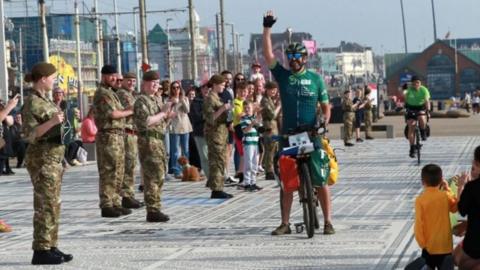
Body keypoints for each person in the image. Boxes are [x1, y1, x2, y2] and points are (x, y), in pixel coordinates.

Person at [262, 11, 334, 235]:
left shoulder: (315, 79)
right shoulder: (283, 76)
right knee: (287, 181)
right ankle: (285, 223)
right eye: (289, 57)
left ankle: (328, 221)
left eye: (297, 57)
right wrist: (267, 28)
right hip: (290, 134)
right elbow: (267, 55)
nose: (292, 61)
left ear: (305, 59)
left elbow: (325, 106)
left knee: (320, 179)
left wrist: (325, 122)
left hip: (312, 133)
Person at [21, 62, 72, 264]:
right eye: (52, 77)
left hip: (53, 157)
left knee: (53, 204)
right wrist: (52, 122)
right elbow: (30, 134)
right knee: (44, 205)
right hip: (42, 159)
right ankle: (40, 250)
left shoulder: (46, 100)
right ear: (43, 79)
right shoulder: (32, 102)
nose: (54, 81)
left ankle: (51, 245)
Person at [134, 70, 174, 222]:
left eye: (157, 83)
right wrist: (163, 114)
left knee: (160, 174)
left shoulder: (156, 100)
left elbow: (161, 123)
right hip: (148, 141)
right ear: (144, 84)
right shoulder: (141, 101)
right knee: (152, 175)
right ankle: (152, 209)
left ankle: (155, 206)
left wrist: (168, 117)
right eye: (152, 83)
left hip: (158, 140)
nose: (155, 86)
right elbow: (146, 122)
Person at [93, 65, 133, 218]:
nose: (114, 79)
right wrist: (131, 110)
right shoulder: (102, 93)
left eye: (115, 76)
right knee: (108, 171)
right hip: (108, 136)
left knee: (118, 171)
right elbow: (113, 114)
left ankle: (115, 202)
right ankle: (106, 204)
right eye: (111, 76)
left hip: (117, 135)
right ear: (104, 76)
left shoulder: (111, 92)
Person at [414, 164, 461, 269]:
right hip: (445, 245)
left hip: (429, 247)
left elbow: (418, 224)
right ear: (441, 180)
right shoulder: (445, 196)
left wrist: (422, 244)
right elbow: (455, 208)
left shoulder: (420, 200)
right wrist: (448, 188)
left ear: (423, 182)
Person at [203, 74, 233, 199]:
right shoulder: (210, 98)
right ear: (214, 85)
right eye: (221, 85)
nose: (223, 87)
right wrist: (222, 109)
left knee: (220, 161)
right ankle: (216, 190)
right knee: (217, 162)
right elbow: (210, 118)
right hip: (215, 135)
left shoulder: (217, 97)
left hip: (221, 134)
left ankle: (218, 187)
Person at [116, 72, 143, 209]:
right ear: (123, 81)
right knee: (129, 165)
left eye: (133, 80)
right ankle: (126, 196)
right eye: (129, 80)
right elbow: (134, 109)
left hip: (133, 132)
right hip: (127, 132)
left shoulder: (133, 94)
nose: (132, 83)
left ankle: (129, 194)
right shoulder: (123, 94)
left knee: (132, 165)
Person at [456, 145, 480, 268]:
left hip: (474, 245)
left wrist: (461, 187)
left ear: (476, 163)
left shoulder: (471, 187)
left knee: (459, 260)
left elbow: (462, 210)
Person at [167, 81, 193, 179]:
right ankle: (176, 170)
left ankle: (186, 169)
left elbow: (187, 110)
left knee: (185, 150)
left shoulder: (185, 98)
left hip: (185, 126)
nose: (176, 89)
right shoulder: (169, 99)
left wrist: (181, 100)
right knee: (175, 150)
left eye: (177, 87)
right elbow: (169, 112)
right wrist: (174, 102)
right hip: (175, 127)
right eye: (173, 88)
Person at [404, 76, 431, 158]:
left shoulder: (424, 89)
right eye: (414, 83)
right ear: (412, 84)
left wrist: (428, 111)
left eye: (418, 82)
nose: (416, 84)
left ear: (420, 83)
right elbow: (404, 100)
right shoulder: (408, 90)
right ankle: (412, 148)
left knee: (422, 118)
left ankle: (423, 133)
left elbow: (427, 101)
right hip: (411, 108)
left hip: (421, 107)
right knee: (411, 126)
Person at [239, 100, 263, 191]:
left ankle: (253, 182)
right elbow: (245, 130)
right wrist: (252, 123)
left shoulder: (255, 118)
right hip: (248, 144)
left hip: (255, 143)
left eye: (249, 108)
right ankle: (247, 183)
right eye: (245, 108)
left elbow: (260, 128)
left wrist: (259, 115)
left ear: (252, 108)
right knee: (248, 163)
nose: (247, 109)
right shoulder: (243, 119)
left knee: (255, 163)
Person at [261, 81, 281, 180]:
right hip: (269, 127)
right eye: (271, 89)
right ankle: (269, 171)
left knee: (274, 149)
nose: (273, 91)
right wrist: (279, 106)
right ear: (267, 90)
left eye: (275, 89)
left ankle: (273, 169)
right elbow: (272, 114)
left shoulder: (270, 99)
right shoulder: (265, 100)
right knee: (270, 150)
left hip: (274, 127)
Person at [190, 84, 209, 178]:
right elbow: (196, 117)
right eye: (204, 88)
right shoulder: (196, 102)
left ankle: (218, 176)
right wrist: (209, 114)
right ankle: (210, 177)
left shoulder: (214, 100)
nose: (206, 90)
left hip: (213, 132)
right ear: (200, 89)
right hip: (200, 132)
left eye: (208, 88)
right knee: (205, 156)